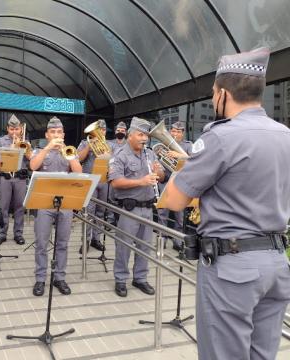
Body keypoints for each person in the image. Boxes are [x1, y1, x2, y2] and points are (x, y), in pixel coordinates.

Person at [164, 47, 290, 360]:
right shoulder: (285, 135)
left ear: (223, 94)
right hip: (276, 262)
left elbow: (173, 200)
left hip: (233, 267)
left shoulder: (220, 137)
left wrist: (188, 165)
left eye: (212, 93)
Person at [108, 117, 164, 297]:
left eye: (146, 135)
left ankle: (140, 278)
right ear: (130, 135)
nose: (144, 138)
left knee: (145, 246)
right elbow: (116, 182)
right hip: (129, 208)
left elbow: (161, 176)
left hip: (148, 207)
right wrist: (141, 181)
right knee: (123, 246)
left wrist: (159, 171)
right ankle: (121, 279)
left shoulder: (149, 153)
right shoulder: (120, 155)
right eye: (140, 134)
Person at [29, 116, 82, 296]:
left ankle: (59, 277)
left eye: (59, 132)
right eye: (53, 132)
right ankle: (40, 279)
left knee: (63, 243)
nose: (56, 135)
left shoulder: (70, 151)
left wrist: (70, 154)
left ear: (63, 134)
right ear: (47, 134)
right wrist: (48, 148)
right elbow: (33, 165)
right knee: (42, 243)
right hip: (44, 204)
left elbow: (78, 172)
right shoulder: (39, 150)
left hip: (65, 203)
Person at [0, 115, 32, 245]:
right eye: (11, 129)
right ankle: (1, 233)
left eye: (16, 129)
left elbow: (30, 160)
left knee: (20, 207)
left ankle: (18, 234)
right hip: (5, 177)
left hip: (20, 177)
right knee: (2, 207)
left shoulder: (26, 142)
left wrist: (25, 149)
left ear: (21, 129)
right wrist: (11, 148)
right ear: (7, 129)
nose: (14, 132)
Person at [156, 121, 193, 249]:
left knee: (179, 215)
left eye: (178, 131)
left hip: (180, 182)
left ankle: (177, 240)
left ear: (183, 133)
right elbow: (158, 162)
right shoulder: (164, 145)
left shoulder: (188, 146)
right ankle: (162, 240)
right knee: (162, 213)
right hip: (165, 180)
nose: (175, 133)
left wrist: (180, 155)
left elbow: (195, 161)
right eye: (173, 131)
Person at [77, 119, 110, 253]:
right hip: (90, 180)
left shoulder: (110, 145)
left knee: (100, 212)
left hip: (103, 181)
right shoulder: (85, 143)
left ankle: (96, 238)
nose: (100, 132)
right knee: (88, 212)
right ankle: (85, 240)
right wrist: (89, 146)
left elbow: (114, 162)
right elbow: (78, 158)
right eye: (98, 129)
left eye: (102, 129)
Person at [107, 121, 128, 225]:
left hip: (126, 175)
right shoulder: (109, 143)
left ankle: (121, 221)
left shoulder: (129, 144)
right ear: (115, 132)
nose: (120, 132)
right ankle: (111, 221)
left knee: (123, 198)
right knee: (111, 198)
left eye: (122, 131)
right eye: (118, 130)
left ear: (126, 132)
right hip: (112, 174)